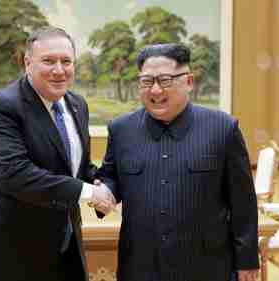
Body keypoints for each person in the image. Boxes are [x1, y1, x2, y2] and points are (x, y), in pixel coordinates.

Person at [0, 26, 115, 281]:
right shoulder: (2, 106)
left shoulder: (77, 105)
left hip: (63, 246)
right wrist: (89, 192)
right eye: (48, 61)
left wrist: (103, 183)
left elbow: (76, 167)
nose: (59, 70)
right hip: (6, 253)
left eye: (66, 61)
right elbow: (15, 175)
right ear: (27, 63)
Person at [96, 43, 259, 281]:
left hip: (207, 267)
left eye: (165, 80)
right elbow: (110, 176)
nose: (155, 90)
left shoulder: (223, 129)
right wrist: (104, 191)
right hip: (141, 267)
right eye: (146, 81)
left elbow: (242, 201)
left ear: (189, 81)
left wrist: (246, 260)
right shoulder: (122, 130)